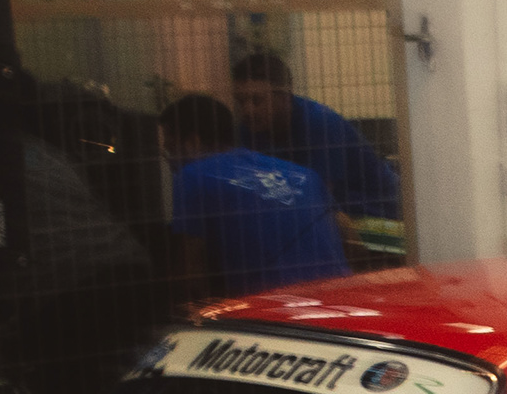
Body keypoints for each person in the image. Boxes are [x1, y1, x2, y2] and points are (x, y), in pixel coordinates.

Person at [163, 92, 347, 297]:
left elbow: (191, 273)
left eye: (170, 149)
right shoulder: (303, 174)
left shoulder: (192, 175)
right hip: (341, 295)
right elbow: (348, 233)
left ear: (193, 143)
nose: (169, 160)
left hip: (275, 306)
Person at [230, 50, 400, 240]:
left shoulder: (321, 123)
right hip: (327, 211)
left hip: (379, 209)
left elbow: (318, 197)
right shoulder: (248, 129)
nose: (247, 111)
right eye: (241, 102)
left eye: (257, 101)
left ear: (285, 96)